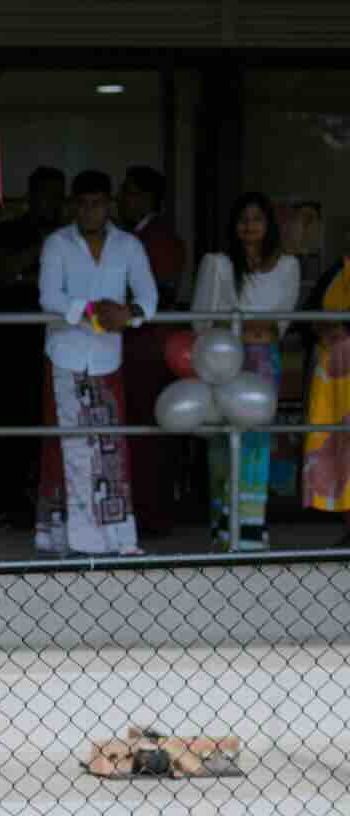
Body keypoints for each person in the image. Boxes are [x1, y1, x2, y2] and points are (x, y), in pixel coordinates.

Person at [35, 170, 158, 556]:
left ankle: (117, 539)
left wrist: (131, 314)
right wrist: (92, 312)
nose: (91, 211)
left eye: (99, 203)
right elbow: (49, 296)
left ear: (110, 205)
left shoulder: (129, 245)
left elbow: (148, 296)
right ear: (75, 206)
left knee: (108, 448)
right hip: (66, 356)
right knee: (66, 447)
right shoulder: (57, 244)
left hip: (107, 359)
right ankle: (61, 539)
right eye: (84, 204)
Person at [193, 193, 302, 550]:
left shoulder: (288, 266)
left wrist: (239, 322)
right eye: (243, 219)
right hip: (222, 360)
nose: (250, 225)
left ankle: (252, 531)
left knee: (255, 442)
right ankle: (223, 530)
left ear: (269, 224)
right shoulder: (218, 263)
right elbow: (201, 320)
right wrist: (244, 326)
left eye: (257, 218)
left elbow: (277, 326)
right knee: (223, 442)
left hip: (262, 361)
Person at [0, 167, 67, 529]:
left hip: (60, 340)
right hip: (13, 343)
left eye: (56, 195)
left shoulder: (71, 237)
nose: (50, 202)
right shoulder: (11, 231)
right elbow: (1, 273)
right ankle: (6, 502)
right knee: (11, 422)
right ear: (31, 196)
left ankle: (48, 502)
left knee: (54, 421)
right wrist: (40, 249)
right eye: (44, 194)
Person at [117, 167, 189, 537]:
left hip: (149, 347)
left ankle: (152, 514)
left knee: (147, 433)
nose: (121, 199)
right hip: (138, 346)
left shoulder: (156, 238)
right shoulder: (143, 235)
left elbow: (154, 294)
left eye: (127, 192)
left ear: (146, 197)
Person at [301, 255, 350, 545]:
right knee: (339, 453)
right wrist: (322, 328)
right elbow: (308, 316)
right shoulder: (336, 271)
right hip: (334, 381)